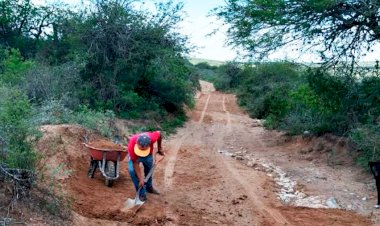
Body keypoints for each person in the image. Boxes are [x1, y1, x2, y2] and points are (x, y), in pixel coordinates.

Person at [127, 131, 165, 201]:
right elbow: (135, 163)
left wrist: (159, 148)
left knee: (149, 169)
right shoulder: (132, 145)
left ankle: (149, 187)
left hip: (148, 155)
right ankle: (141, 193)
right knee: (132, 171)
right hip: (135, 156)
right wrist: (141, 179)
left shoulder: (152, 138)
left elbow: (159, 133)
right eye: (140, 149)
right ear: (137, 144)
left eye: (143, 149)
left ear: (149, 144)